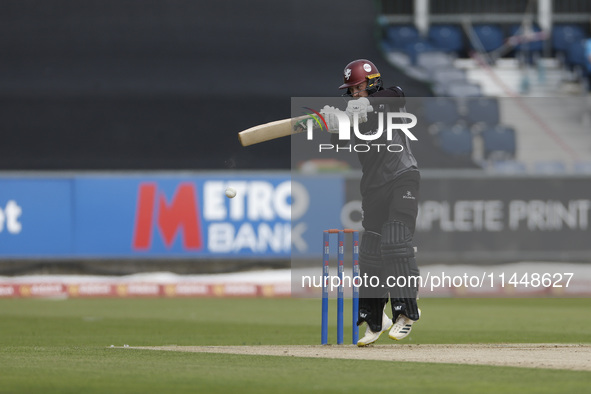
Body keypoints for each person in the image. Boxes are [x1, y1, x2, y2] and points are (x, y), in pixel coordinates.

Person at [321, 59, 421, 346]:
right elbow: (338, 146)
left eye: (359, 87)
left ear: (373, 83)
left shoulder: (390, 99)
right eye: (351, 90)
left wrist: (368, 104)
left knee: (395, 241)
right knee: (370, 253)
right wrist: (335, 123)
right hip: (373, 187)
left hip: (403, 176)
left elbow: (398, 93)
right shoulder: (352, 113)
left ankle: (406, 312)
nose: (355, 94)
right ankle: (375, 318)